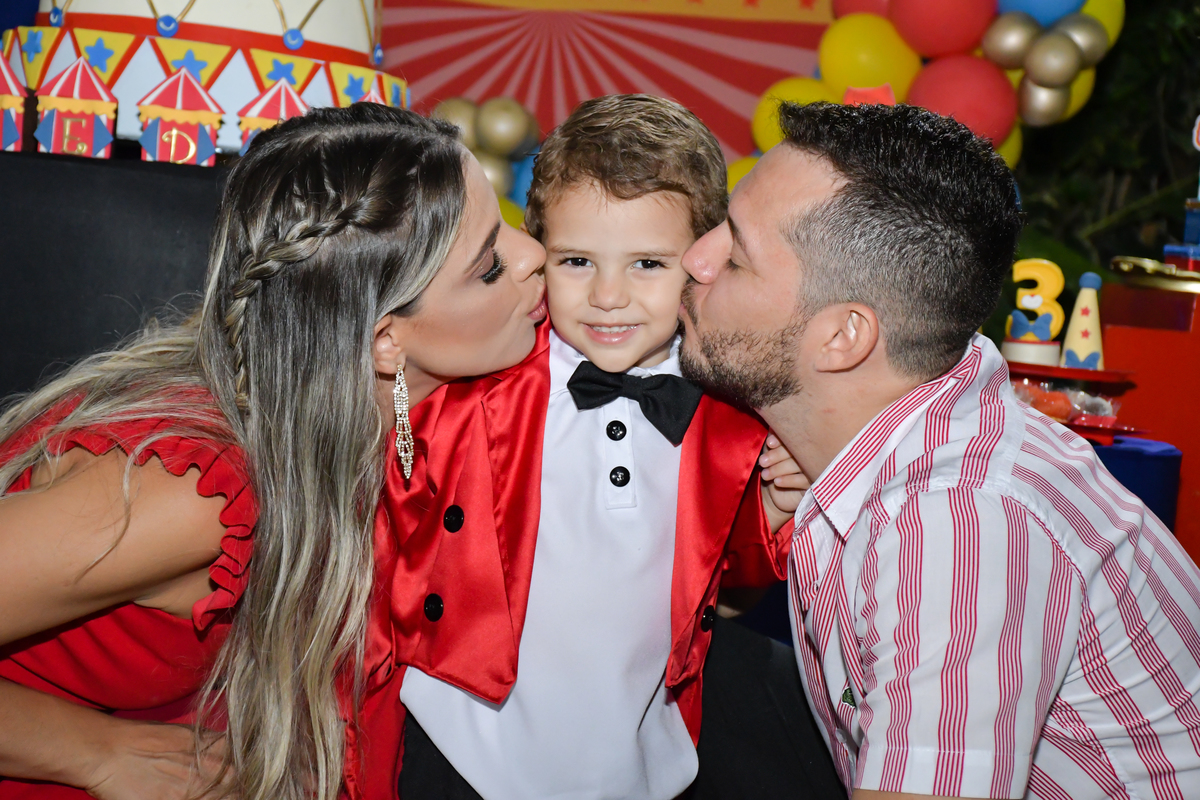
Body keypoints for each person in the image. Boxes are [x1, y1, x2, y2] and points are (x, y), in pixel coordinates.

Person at [0, 104, 546, 800]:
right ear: (386, 341)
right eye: (490, 266)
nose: (533, 255)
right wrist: (95, 754)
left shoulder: (369, 423)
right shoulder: (191, 493)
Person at [678, 100, 1200, 799]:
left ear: (843, 338)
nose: (695, 259)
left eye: (736, 257)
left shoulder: (960, 524)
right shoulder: (902, 411)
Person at [387, 94, 841, 800]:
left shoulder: (729, 408)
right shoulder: (486, 377)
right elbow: (387, 521)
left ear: (704, 260)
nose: (607, 295)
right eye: (576, 261)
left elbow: (721, 580)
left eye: (646, 265)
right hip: (462, 740)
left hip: (639, 758)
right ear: (536, 249)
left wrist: (775, 508)